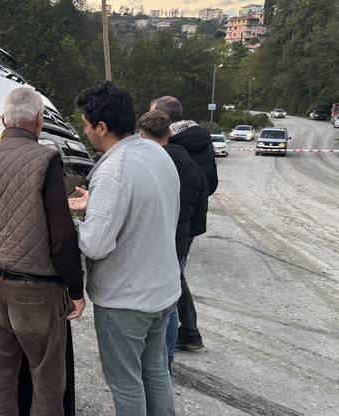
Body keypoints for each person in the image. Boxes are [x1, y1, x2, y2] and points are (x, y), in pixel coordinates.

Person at [0, 86, 85, 416]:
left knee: (2, 377)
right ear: (39, 120)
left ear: (2, 121)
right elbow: (62, 234)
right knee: (48, 382)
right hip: (38, 291)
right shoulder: (46, 159)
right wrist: (76, 288)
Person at [69, 81, 180, 415]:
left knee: (126, 384)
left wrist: (68, 223)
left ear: (102, 127)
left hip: (126, 301)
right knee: (157, 374)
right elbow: (142, 204)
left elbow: (95, 243)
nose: (85, 130)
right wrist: (97, 204)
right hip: (161, 290)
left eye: (86, 124)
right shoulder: (155, 152)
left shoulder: (113, 170)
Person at [138, 110, 208, 369]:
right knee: (169, 304)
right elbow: (201, 214)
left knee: (144, 306)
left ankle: (144, 356)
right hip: (178, 245)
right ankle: (166, 359)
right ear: (169, 133)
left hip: (148, 245)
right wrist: (186, 236)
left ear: (141, 135)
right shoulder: (193, 168)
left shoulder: (146, 166)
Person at [150, 96, 218, 351]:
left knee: (171, 279)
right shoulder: (201, 139)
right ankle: (189, 331)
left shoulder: (172, 146)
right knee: (176, 274)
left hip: (170, 221)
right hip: (189, 222)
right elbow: (210, 183)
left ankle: (183, 336)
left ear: (164, 120)